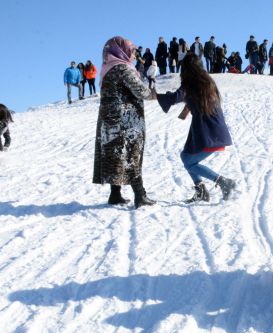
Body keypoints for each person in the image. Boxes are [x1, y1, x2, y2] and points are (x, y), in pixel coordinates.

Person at [156, 55, 237, 203]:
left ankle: (223, 182)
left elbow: (175, 97)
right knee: (186, 156)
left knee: (189, 161)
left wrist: (156, 95)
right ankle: (201, 191)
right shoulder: (207, 82)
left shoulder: (190, 84)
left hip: (207, 130)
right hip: (214, 128)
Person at [93, 36, 156, 209]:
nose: (135, 54)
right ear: (122, 51)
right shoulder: (123, 68)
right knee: (130, 154)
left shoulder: (107, 68)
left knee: (116, 155)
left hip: (108, 122)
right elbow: (141, 91)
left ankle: (115, 194)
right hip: (125, 121)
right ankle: (140, 195)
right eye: (132, 51)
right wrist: (154, 93)